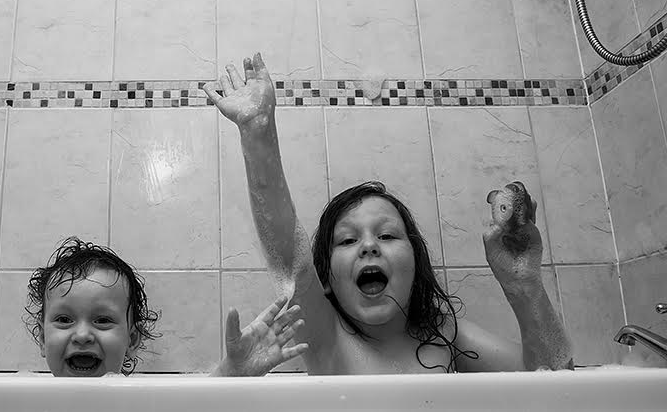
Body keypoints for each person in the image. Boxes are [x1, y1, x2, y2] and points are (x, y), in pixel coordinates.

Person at [203, 52, 573, 374]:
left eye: (387, 235)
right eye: (347, 240)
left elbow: (554, 389)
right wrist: (258, 133)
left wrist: (524, 287)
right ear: (326, 278)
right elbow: (289, 257)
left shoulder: (447, 336)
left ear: (415, 262)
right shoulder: (326, 336)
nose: (369, 246)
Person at [0, 238, 307, 377]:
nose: (83, 334)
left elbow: (198, 411)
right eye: (64, 319)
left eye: (103, 320)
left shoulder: (142, 404)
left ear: (132, 337)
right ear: (42, 334)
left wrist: (233, 372)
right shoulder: (24, 401)